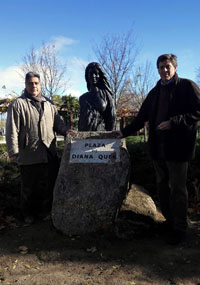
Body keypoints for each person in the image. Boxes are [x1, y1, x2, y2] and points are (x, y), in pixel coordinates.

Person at [115, 54, 200, 244]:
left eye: (168, 66)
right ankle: (169, 223)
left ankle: (180, 229)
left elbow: (197, 111)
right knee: (162, 188)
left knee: (177, 189)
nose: (165, 70)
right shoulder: (154, 92)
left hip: (178, 149)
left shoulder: (187, 87)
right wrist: (124, 132)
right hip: (158, 149)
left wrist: (174, 122)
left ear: (175, 67)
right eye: (161, 67)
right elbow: (140, 118)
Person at [6, 71, 72, 223]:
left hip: (49, 152)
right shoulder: (18, 104)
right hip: (29, 153)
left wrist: (66, 131)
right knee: (29, 188)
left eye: (36, 83)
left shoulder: (49, 104)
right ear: (26, 85)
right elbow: (11, 130)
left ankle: (46, 212)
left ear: (40, 85)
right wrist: (13, 152)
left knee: (49, 185)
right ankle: (28, 214)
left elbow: (58, 123)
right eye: (30, 83)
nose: (33, 86)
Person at [78, 62, 116, 131]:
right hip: (83, 137)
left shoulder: (106, 94)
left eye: (96, 73)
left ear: (100, 75)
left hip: (101, 134)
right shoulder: (82, 98)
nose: (93, 76)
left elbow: (112, 117)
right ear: (87, 76)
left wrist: (109, 135)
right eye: (91, 73)